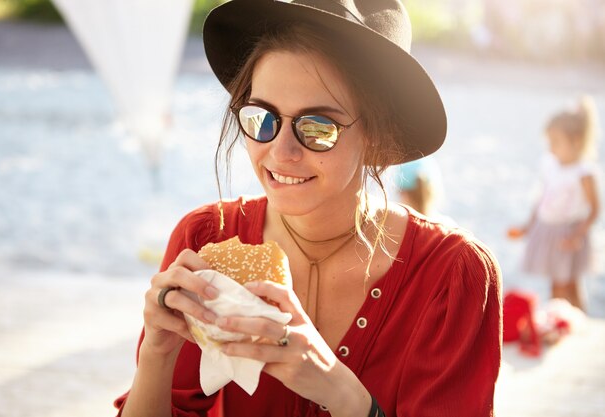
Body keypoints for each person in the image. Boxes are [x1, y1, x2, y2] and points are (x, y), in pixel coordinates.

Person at [114, 1, 502, 416]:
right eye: (262, 118)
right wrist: (157, 352)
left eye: (318, 127)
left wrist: (341, 392)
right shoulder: (206, 237)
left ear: (377, 137)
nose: (280, 152)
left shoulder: (452, 276)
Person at [508, 96, 600, 312]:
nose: (550, 149)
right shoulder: (550, 164)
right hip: (547, 230)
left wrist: (577, 235)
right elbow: (541, 199)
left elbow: (595, 210)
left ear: (576, 141)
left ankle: (572, 321)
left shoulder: (583, 173)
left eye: (556, 143)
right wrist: (527, 226)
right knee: (556, 282)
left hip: (568, 234)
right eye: (549, 142)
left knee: (568, 285)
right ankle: (563, 320)